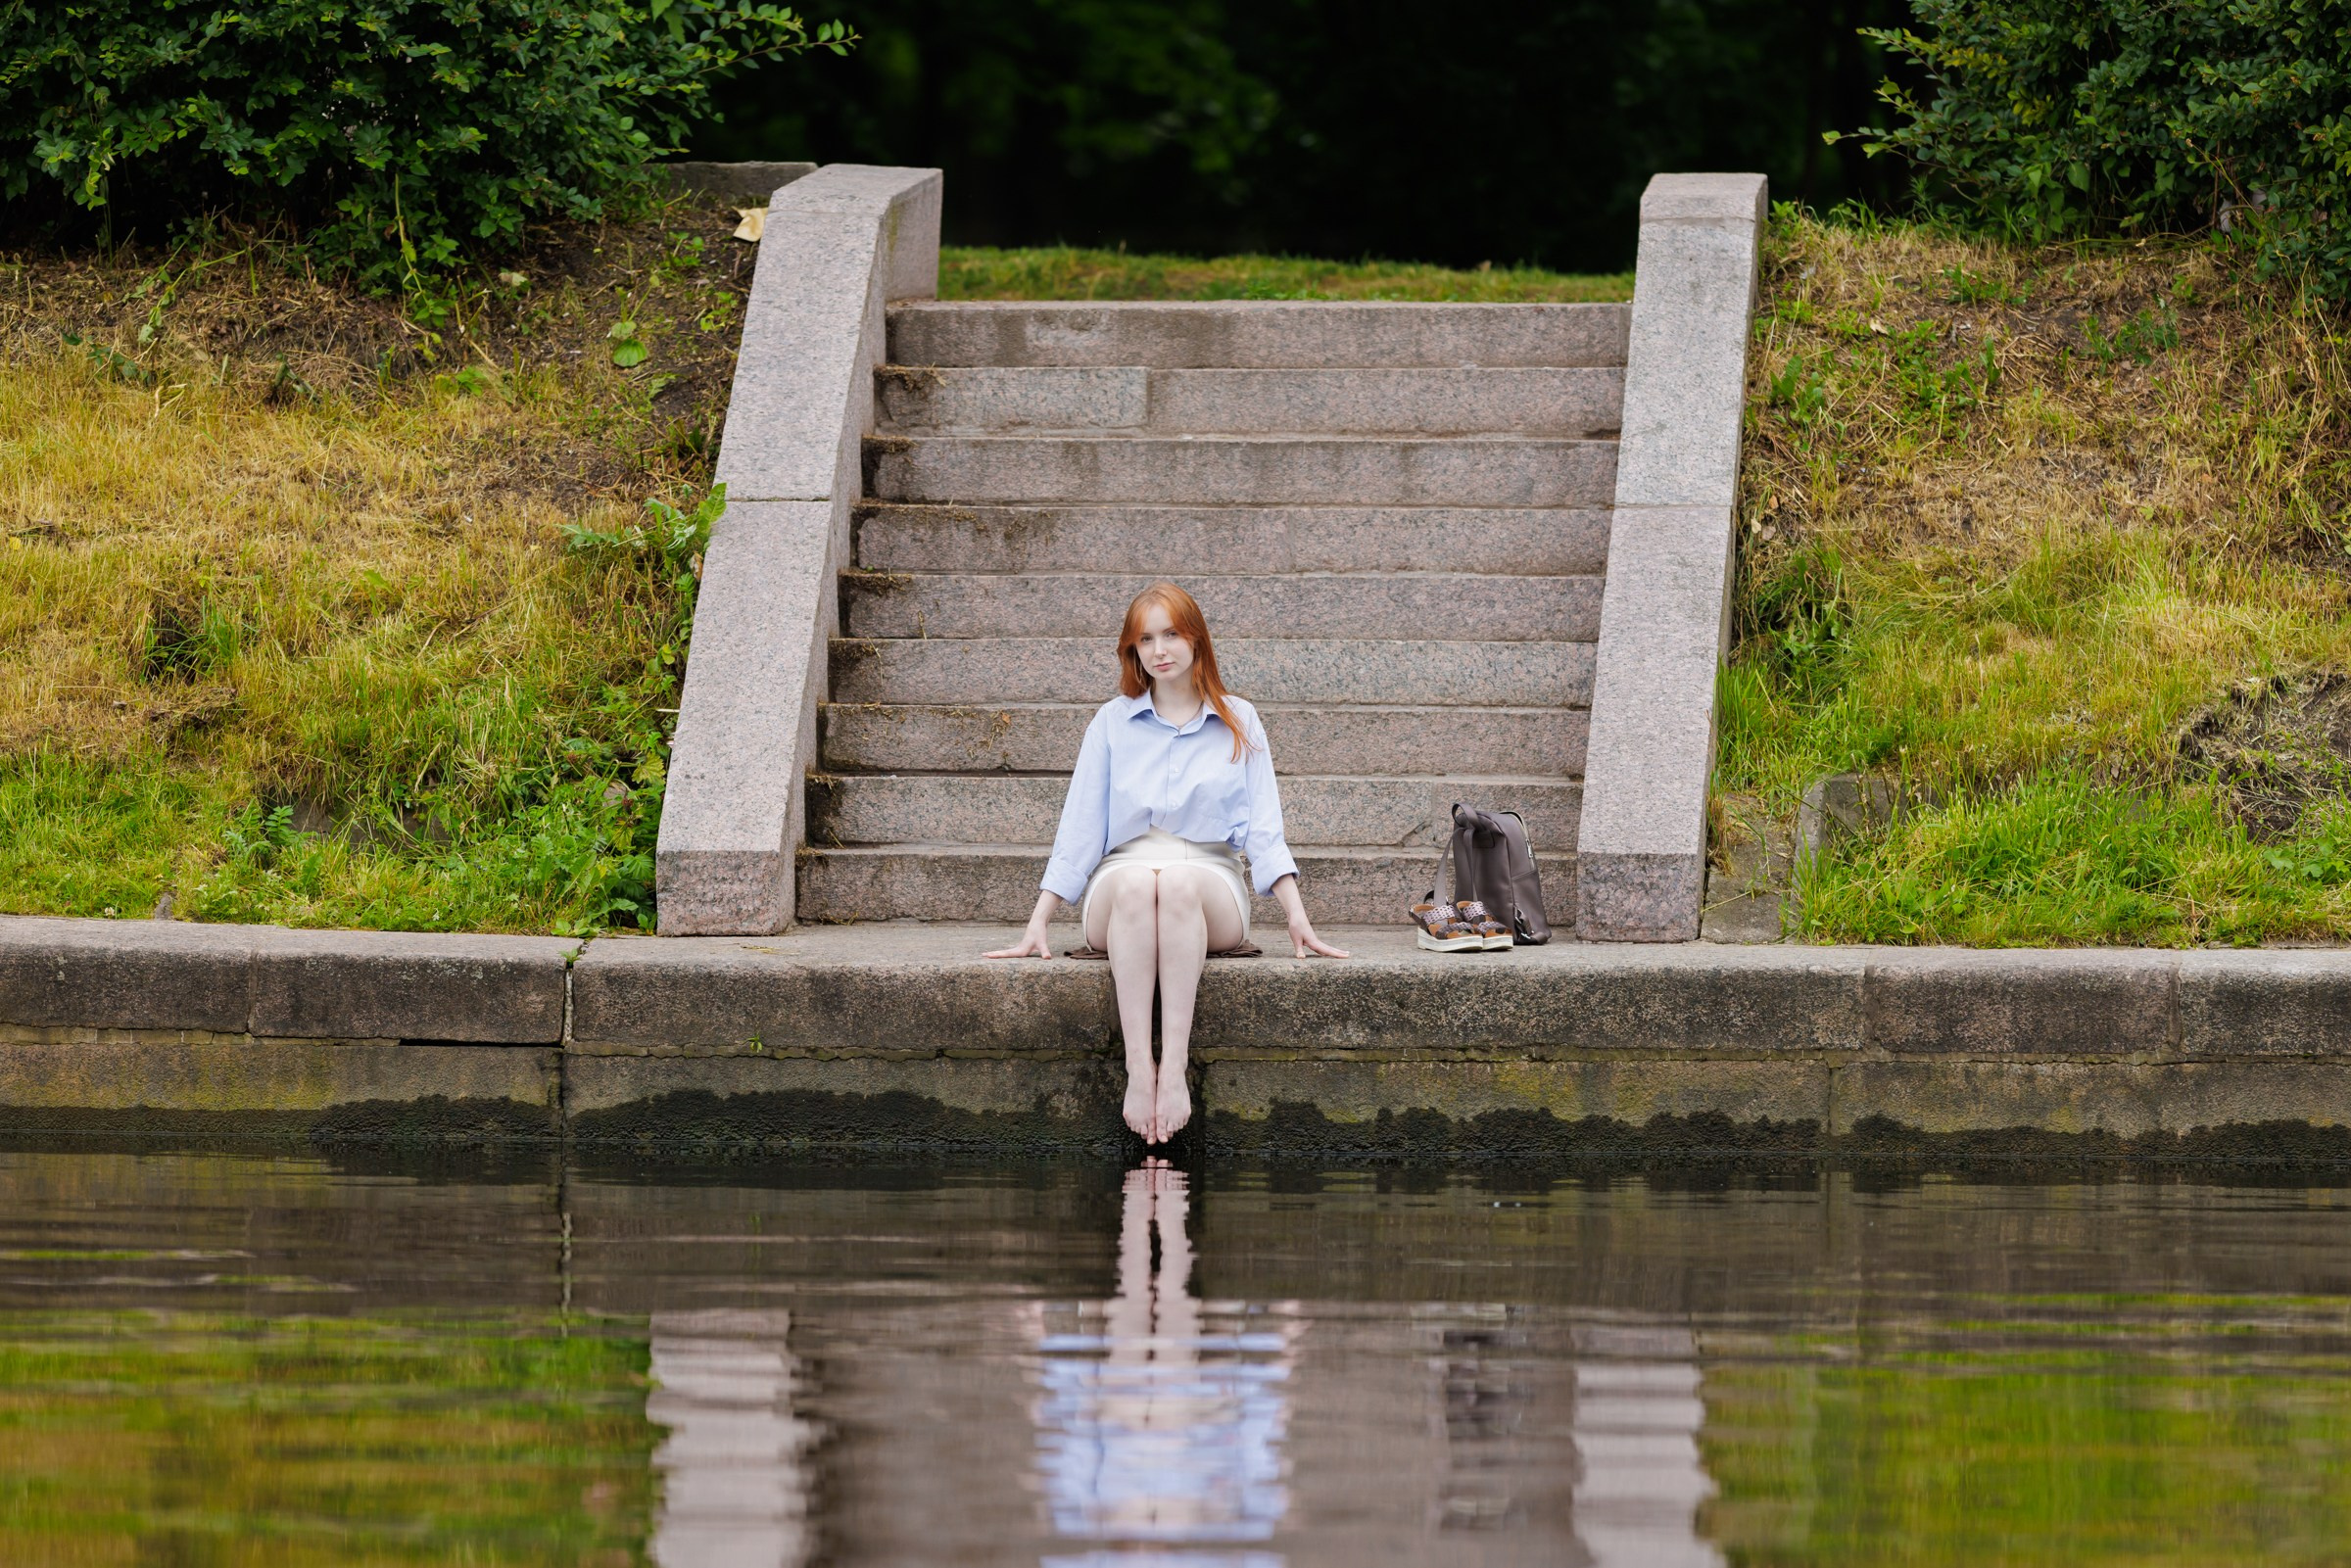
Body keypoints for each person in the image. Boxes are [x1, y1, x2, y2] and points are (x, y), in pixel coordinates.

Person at [986, 583, 1349, 1143]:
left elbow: (1264, 827)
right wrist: (1040, 921)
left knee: (1176, 883)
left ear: (1196, 640)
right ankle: (1139, 1070)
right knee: (1137, 883)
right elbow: (1081, 827)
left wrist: (1296, 916)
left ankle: (1173, 1069)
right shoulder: (1111, 722)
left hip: (1209, 881)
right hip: (1121, 878)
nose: (1159, 649)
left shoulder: (1240, 719)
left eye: (1172, 634)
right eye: (1145, 639)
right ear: (1133, 651)